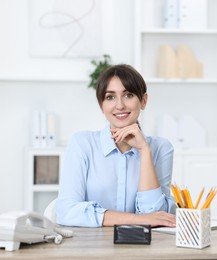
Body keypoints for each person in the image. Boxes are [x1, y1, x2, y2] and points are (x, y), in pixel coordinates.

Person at [55, 64, 176, 227]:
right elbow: (66, 211)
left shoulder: (161, 148)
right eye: (110, 97)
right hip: (90, 246)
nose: (120, 105)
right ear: (101, 105)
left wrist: (144, 151)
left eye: (128, 95)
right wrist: (137, 219)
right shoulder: (82, 144)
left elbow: (155, 216)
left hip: (142, 247)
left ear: (143, 100)